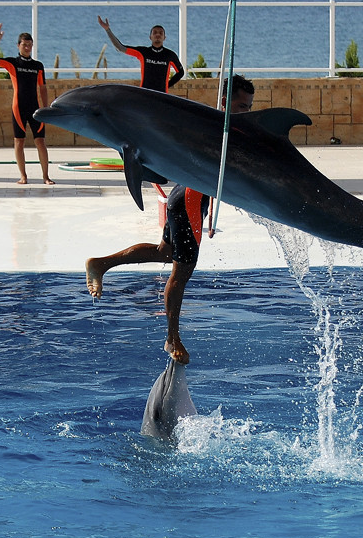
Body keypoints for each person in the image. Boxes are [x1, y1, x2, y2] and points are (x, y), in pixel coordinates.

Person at [85, 75, 256, 365]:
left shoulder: (227, 129)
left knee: (165, 252)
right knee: (182, 271)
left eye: (250, 107)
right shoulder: (217, 127)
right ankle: (172, 338)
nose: (247, 112)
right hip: (188, 201)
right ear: (225, 102)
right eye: (241, 106)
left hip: (188, 198)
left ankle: (101, 264)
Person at [0, 24, 54, 185]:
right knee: (19, 141)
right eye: (24, 45)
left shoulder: (38, 66)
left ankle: (45, 176)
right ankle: (23, 176)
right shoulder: (13, 63)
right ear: (18, 46)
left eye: (30, 45)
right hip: (18, 107)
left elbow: (43, 88)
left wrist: (45, 109)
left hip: (35, 108)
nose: (27, 47)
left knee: (40, 141)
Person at [97, 16, 185, 93]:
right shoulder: (143, 52)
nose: (158, 34)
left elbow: (180, 72)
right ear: (150, 37)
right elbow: (120, 48)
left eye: (161, 33)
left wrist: (167, 85)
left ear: (164, 38)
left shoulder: (170, 55)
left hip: (162, 96)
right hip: (144, 94)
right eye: (154, 32)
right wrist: (107, 30)